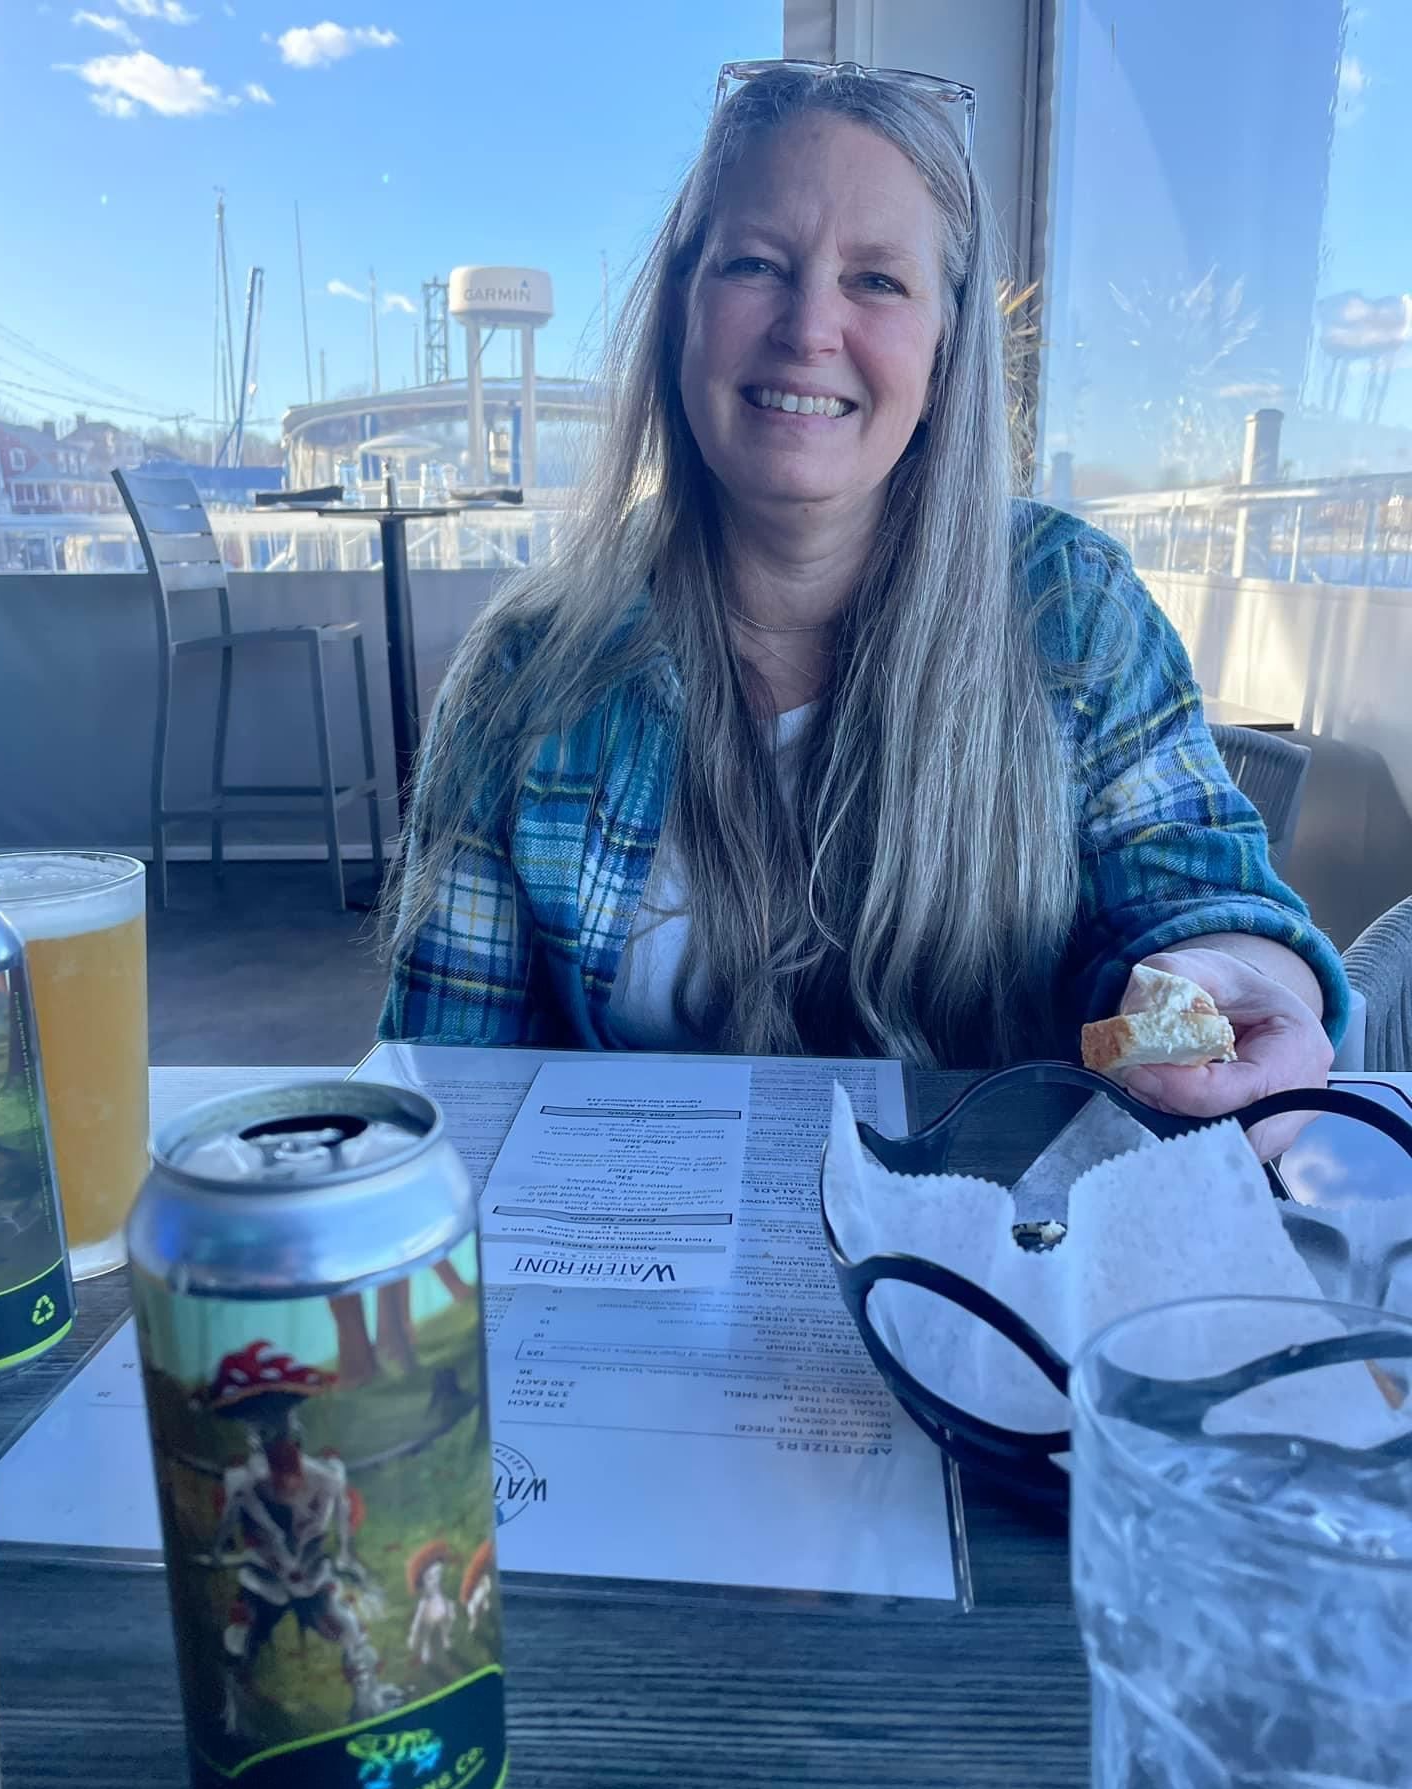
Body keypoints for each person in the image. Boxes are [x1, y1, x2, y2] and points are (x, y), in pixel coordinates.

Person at [380, 60, 1347, 1156]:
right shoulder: (526, 668)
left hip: (992, 1281)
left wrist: (1237, 985)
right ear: (678, 317)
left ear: (944, 352)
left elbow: (1199, 900)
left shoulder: (1073, 609)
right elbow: (444, 1090)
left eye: (878, 281)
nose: (808, 328)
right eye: (753, 263)